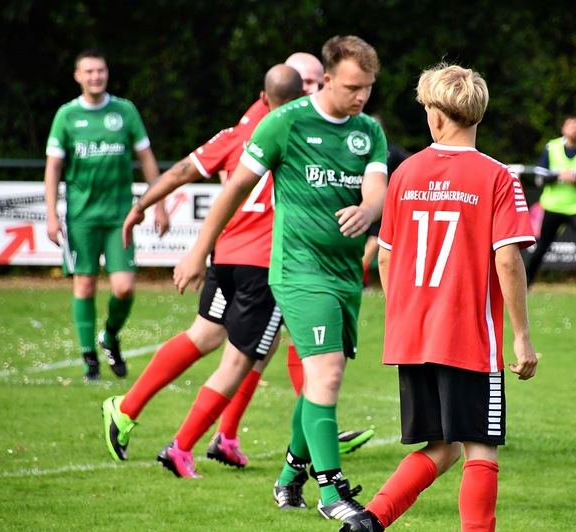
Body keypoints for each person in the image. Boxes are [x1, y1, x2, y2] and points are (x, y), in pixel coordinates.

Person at [101, 56, 373, 473]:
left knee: (220, 338)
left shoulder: (240, 131)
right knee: (255, 355)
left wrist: (143, 206)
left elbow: (182, 171)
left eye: (315, 81)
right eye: (307, 82)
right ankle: (189, 443)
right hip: (268, 263)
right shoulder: (294, 132)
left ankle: (142, 412)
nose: (312, 89)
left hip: (228, 255)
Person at [173, 35, 387, 522]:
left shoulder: (367, 131)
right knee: (326, 373)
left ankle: (290, 476)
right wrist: (200, 250)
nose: (361, 96)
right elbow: (234, 190)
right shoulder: (284, 123)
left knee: (319, 378)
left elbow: (378, 187)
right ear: (327, 79)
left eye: (368, 88)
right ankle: (332, 493)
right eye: (352, 87)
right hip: (297, 270)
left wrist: (368, 209)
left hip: (344, 275)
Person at [340, 63, 539, 532]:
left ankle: (369, 520)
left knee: (441, 447)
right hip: (468, 335)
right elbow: (508, 260)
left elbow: (385, 258)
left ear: (435, 116)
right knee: (481, 446)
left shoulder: (405, 173)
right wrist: (522, 337)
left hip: (414, 335)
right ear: (478, 115)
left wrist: (405, 317)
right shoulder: (497, 176)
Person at [44, 49, 169, 381]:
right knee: (84, 286)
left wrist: (159, 204)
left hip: (119, 218)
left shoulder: (125, 111)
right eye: (89, 71)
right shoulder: (66, 116)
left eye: (100, 70)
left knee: (124, 287)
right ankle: (90, 360)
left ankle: (110, 336)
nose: (95, 76)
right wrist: (51, 215)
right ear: (78, 77)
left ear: (107, 73)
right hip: (81, 217)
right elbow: (53, 167)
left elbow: (146, 158)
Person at [525, 114, 576, 293]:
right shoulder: (552, 147)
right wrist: (559, 175)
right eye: (570, 125)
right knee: (542, 245)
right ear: (563, 129)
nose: (573, 129)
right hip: (553, 205)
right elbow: (539, 179)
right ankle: (526, 282)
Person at [361, 114, 410, 288]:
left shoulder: (392, 151)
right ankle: (360, 276)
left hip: (380, 203)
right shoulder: (358, 147)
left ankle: (358, 273)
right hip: (357, 201)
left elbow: (409, 168)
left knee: (375, 240)